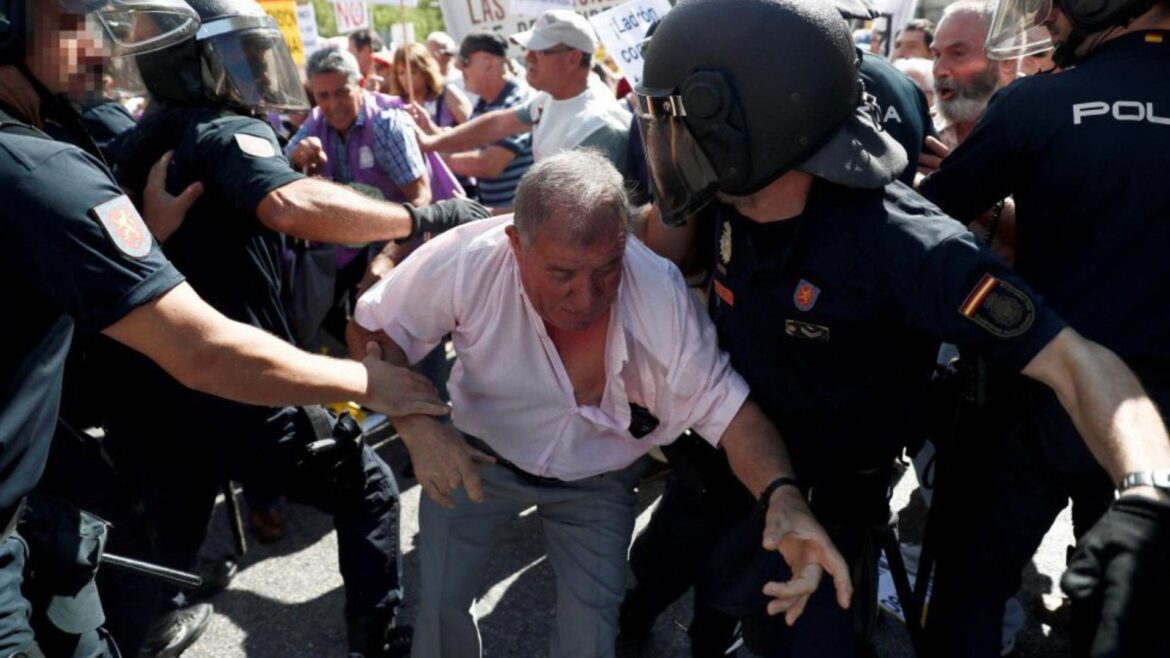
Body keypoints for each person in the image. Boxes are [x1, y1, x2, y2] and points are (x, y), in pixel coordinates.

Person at [636, 0, 1170, 656]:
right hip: (726, 465)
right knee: (652, 582)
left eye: (683, 122)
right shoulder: (728, 202)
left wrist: (1147, 487)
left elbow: (1077, 362)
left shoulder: (903, 247)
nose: (669, 144)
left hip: (824, 506)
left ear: (754, 123)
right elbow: (628, 239)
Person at [0, 2, 448, 657]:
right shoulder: (204, 134)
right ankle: (375, 640)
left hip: (144, 406)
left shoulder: (115, 137)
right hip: (233, 386)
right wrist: (419, 220)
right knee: (371, 488)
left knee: (153, 530)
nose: (95, 50)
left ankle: (156, 617)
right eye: (71, 25)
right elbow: (285, 209)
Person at [347, 150, 852, 658]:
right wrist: (418, 426)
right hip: (476, 455)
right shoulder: (472, 259)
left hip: (598, 482)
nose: (586, 297)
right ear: (515, 245)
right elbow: (374, 328)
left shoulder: (659, 295)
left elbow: (733, 415)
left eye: (608, 268)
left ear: (624, 241)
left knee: (591, 636)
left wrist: (783, 497)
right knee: (438, 606)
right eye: (562, 273)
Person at [918, 0, 1170, 652]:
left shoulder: (1039, 104)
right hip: (1157, 428)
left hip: (1036, 402)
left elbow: (920, 229)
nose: (1046, 17)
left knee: (971, 594)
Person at [414, 10, 630, 169]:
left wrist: (487, 214)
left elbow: (575, 214)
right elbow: (496, 124)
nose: (527, 57)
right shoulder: (548, 98)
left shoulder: (597, 125)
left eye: (540, 51)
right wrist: (431, 143)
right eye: (528, 49)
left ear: (572, 58)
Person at [437, 32, 534, 210]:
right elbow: (468, 146)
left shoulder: (518, 102)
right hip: (498, 219)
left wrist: (437, 159)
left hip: (522, 221)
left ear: (489, 62)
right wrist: (432, 134)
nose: (458, 67)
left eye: (465, 60)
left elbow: (490, 164)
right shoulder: (483, 103)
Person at [391, 43, 471, 130]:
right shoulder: (396, 103)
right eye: (401, 73)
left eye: (412, 72)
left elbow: (473, 128)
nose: (406, 78)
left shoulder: (447, 94)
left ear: (426, 72)